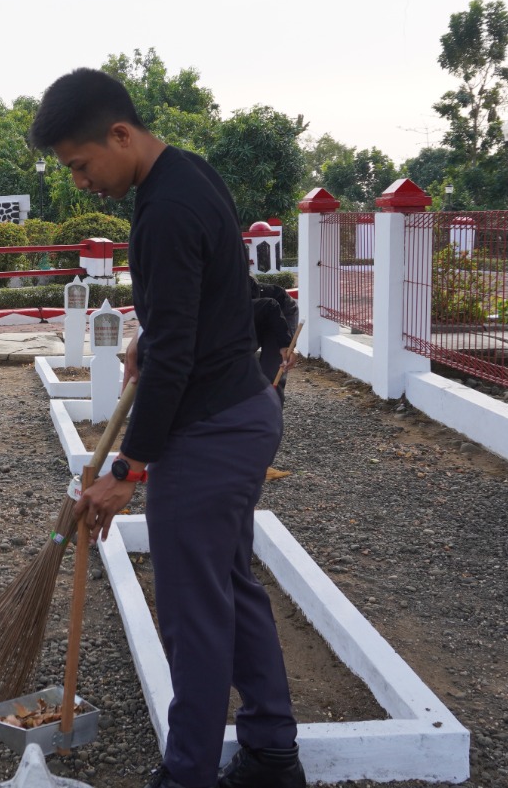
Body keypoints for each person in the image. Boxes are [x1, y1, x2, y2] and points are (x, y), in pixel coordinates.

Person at [32, 69, 305, 788]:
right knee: (228, 588)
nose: (82, 181)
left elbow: (179, 354)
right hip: (237, 412)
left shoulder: (166, 210)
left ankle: (188, 774)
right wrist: (145, 340)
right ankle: (273, 752)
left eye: (81, 164)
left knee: (193, 613)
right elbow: (207, 304)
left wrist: (128, 468)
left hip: (213, 429)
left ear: (120, 134)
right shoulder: (184, 175)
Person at [249, 272, 299, 481]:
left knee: (270, 384)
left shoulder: (230, 301)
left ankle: (262, 463)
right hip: (252, 316)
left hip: (279, 314)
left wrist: (286, 345)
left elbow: (270, 306)